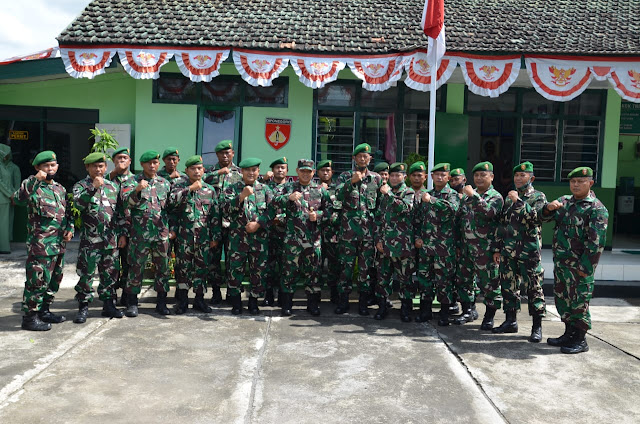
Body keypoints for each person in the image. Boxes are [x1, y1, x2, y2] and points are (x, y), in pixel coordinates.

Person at [542, 166, 608, 354]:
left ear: (590, 183)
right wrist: (548, 208)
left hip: (580, 266)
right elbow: (543, 218)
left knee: (579, 302)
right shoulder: (564, 202)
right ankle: (569, 333)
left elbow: (596, 243)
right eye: (573, 181)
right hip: (562, 263)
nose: (576, 185)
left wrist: (586, 267)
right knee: (563, 300)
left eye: (580, 181)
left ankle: (580, 339)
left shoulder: (596, 209)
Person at [14, 151, 73, 331]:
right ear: (37, 168)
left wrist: (70, 228)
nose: (50, 168)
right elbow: (18, 199)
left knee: (54, 280)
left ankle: (44, 311)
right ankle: (30, 317)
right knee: (36, 281)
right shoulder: (32, 186)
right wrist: (34, 179)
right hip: (40, 245)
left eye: (52, 165)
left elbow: (67, 213)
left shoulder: (60, 189)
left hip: (58, 244)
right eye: (45, 165)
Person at [493, 162, 547, 342]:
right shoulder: (508, 198)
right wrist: (497, 248)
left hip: (529, 252)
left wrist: (518, 202)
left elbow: (536, 218)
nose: (518, 179)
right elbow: (502, 224)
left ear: (531, 178)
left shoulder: (538, 197)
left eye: (522, 176)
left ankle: (537, 326)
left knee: (533, 289)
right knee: (508, 287)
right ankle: (510, 321)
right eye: (516, 176)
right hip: (509, 251)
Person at [71, 152, 125, 323]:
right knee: (86, 274)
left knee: (110, 273)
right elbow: (78, 205)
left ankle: (108, 304)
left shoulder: (113, 187)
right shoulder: (81, 186)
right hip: (90, 240)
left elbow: (120, 213)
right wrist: (93, 187)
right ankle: (83, 307)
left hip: (110, 240)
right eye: (94, 166)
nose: (98, 169)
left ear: (106, 167)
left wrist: (122, 233)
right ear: (87, 168)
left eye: (101, 166)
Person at [277, 159, 331, 316]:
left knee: (313, 273)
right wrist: (288, 198)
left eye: (308, 171)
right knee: (289, 273)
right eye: (302, 171)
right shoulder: (287, 188)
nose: (305, 174)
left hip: (313, 241)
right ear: (297, 171)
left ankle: (312, 305)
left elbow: (331, 212)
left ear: (313, 173)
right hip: (292, 241)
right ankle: (287, 305)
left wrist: (318, 215)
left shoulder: (320, 190)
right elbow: (274, 203)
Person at [122, 150, 172, 317]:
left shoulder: (165, 183)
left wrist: (171, 230)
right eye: (148, 163)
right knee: (136, 267)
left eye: (155, 163)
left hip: (160, 234)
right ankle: (132, 302)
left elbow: (170, 208)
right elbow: (125, 204)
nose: (152, 166)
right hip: (140, 234)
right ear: (142, 164)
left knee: (163, 268)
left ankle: (162, 302)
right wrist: (136, 190)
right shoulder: (131, 181)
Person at [334, 143, 383, 316]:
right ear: (354, 158)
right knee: (345, 269)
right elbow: (337, 196)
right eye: (359, 156)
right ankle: (343, 302)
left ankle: (363, 303)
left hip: (368, 234)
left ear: (370, 159)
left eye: (366, 156)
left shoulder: (376, 179)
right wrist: (351, 183)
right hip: (348, 233)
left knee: (365, 270)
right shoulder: (345, 176)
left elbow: (379, 208)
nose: (363, 158)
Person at [222, 157, 275, 315]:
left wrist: (258, 224)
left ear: (258, 171)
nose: (251, 173)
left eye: (254, 170)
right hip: (237, 239)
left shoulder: (265, 189)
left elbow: (272, 211)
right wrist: (241, 197)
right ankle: (236, 303)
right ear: (241, 172)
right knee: (235, 271)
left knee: (258, 271)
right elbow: (224, 209)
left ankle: (253, 302)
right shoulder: (232, 188)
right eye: (247, 170)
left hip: (258, 240)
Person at [170, 155, 221, 314]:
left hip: (203, 238)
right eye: (193, 168)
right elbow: (171, 203)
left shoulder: (210, 190)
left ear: (203, 170)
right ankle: (183, 301)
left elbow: (215, 215)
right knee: (183, 269)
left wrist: (215, 237)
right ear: (186, 171)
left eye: (199, 168)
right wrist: (190, 189)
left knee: (202, 269)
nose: (196, 171)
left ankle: (199, 300)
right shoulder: (179, 186)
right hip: (184, 237)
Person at [459, 162, 504, 330]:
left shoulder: (496, 197)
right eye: (476, 175)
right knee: (465, 281)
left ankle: (489, 316)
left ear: (491, 177)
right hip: (467, 247)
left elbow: (489, 213)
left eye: (483, 175)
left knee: (489, 283)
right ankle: (468, 311)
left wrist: (474, 197)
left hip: (486, 248)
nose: (479, 178)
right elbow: (462, 220)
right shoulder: (467, 197)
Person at [414, 163, 459, 325]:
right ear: (431, 177)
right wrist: (417, 237)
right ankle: (425, 311)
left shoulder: (452, 195)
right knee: (425, 279)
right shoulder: (425, 195)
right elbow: (418, 219)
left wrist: (432, 200)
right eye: (436, 175)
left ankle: (444, 313)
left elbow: (452, 210)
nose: (439, 177)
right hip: (426, 246)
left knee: (444, 280)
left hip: (444, 247)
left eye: (443, 175)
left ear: (448, 178)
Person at [373, 162, 415, 321]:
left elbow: (405, 208)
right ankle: (382, 307)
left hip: (402, 245)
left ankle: (405, 309)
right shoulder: (384, 194)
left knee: (405, 279)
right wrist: (378, 240)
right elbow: (378, 218)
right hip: (385, 245)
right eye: (392, 175)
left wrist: (389, 194)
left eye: (398, 175)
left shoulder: (408, 192)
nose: (395, 178)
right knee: (383, 278)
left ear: (404, 177)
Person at [204, 140, 243, 305]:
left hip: (234, 223)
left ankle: (231, 291)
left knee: (232, 259)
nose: (225, 155)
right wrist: (219, 172)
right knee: (213, 259)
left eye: (228, 152)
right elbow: (201, 181)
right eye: (222, 153)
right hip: (214, 222)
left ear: (233, 153)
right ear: (217, 155)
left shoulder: (240, 173)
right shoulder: (210, 172)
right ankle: (215, 291)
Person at [450, 168, 479, 324]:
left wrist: (471, 196)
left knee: (479, 280)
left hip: (481, 246)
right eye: (452, 180)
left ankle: (474, 309)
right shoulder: (457, 198)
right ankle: (467, 309)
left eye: (457, 179)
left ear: (465, 180)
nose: (455, 182)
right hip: (463, 244)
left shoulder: (473, 196)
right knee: (463, 278)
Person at [106, 146, 135, 305]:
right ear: (113, 161)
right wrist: (113, 173)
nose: (122, 161)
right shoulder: (107, 179)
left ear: (129, 161)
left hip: (131, 229)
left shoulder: (136, 180)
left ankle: (126, 293)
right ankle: (110, 296)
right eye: (119, 158)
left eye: (125, 158)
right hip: (111, 229)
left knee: (129, 263)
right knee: (111, 264)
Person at [262, 157, 289, 307]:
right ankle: (268, 295)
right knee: (268, 266)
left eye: (283, 167)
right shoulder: (265, 187)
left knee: (285, 266)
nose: (280, 170)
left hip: (286, 233)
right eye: (277, 167)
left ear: (287, 171)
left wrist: (282, 217)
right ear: (272, 170)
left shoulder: (292, 188)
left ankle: (283, 297)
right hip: (269, 233)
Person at [316, 159, 342, 304]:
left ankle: (334, 294)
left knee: (334, 266)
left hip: (333, 234)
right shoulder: (314, 188)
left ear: (332, 172)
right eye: (322, 170)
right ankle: (316, 295)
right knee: (317, 265)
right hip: (317, 234)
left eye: (328, 170)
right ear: (318, 172)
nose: (325, 173)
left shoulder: (339, 189)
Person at [369, 162, 390, 305]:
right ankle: (372, 295)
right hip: (372, 234)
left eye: (386, 174)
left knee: (385, 269)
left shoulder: (390, 191)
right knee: (372, 268)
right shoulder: (372, 190)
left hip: (387, 237)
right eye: (381, 174)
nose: (384, 177)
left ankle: (385, 298)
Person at [0, 144, 20, 253]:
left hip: (5, 199)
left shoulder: (5, 166)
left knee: (5, 224)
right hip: (3, 198)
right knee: (3, 224)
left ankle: (4, 246)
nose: (7, 157)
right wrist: (10, 194)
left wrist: (13, 195)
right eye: (5, 154)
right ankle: (3, 248)